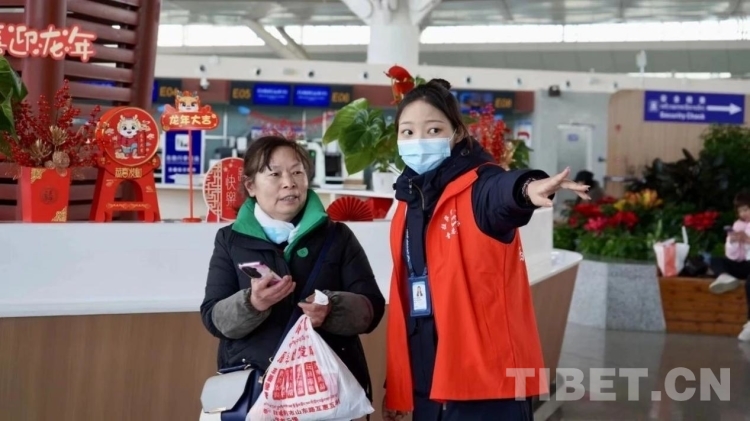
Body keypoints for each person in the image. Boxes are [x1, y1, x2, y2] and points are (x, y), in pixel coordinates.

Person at [382, 79, 590, 421]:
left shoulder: (480, 188)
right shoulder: (408, 201)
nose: (419, 140)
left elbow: (504, 193)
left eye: (433, 129)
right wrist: (399, 385)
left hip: (485, 384)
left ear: (457, 133)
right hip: (427, 376)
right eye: (408, 131)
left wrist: (528, 188)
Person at [200, 136, 386, 406]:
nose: (289, 182)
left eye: (297, 172)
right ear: (251, 186)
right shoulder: (230, 240)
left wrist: (332, 310)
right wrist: (252, 303)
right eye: (275, 174)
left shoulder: (338, 236)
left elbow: (372, 309)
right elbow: (213, 317)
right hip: (257, 390)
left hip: (325, 392)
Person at [708, 190, 750, 342]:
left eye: (746, 209)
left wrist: (748, 240)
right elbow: (732, 256)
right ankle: (725, 277)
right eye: (741, 211)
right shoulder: (737, 225)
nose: (744, 213)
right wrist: (732, 242)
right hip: (741, 264)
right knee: (715, 260)